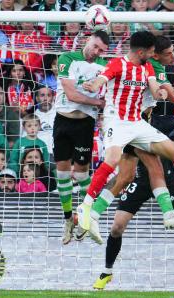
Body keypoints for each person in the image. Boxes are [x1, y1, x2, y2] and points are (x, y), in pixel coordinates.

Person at [78, 31, 174, 238]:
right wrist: (93, 85)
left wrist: (160, 93)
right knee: (130, 165)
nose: (157, 55)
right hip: (116, 121)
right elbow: (101, 79)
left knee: (169, 156)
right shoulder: (119, 64)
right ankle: (87, 207)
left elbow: (155, 91)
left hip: (138, 122)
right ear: (143, 51)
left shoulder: (149, 66)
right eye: (154, 52)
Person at [92, 125, 174, 292]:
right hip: (140, 183)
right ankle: (106, 272)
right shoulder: (134, 127)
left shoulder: (163, 128)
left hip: (167, 184)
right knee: (117, 227)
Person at [53, 30, 110, 245]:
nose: (96, 52)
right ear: (88, 40)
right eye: (95, 47)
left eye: (102, 50)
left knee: (82, 175)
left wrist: (102, 102)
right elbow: (71, 94)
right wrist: (98, 102)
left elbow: (108, 93)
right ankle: (68, 219)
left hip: (85, 123)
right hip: (62, 120)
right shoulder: (67, 58)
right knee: (62, 174)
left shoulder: (105, 66)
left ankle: (88, 217)